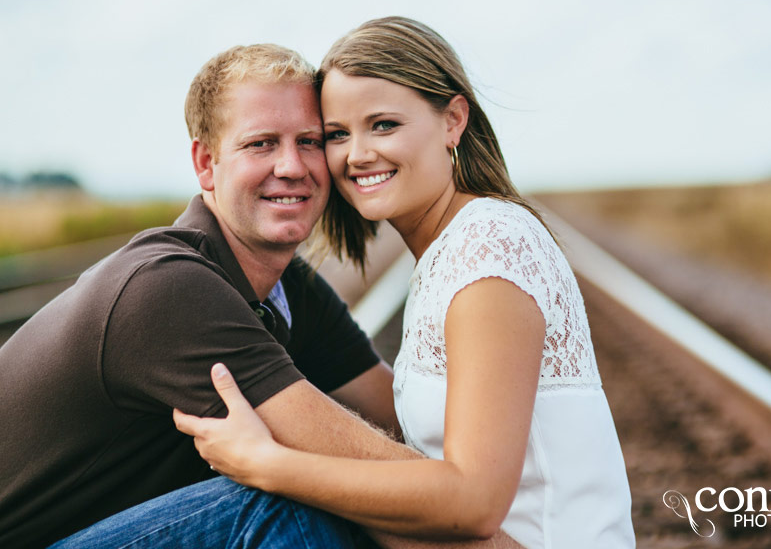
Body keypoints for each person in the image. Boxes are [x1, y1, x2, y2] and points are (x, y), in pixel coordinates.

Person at [79, 17, 635, 547]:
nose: (358, 155)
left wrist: (271, 466)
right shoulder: (453, 251)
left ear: (453, 120)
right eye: (338, 134)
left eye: (384, 125)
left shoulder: (488, 249)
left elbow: (474, 501)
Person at [2, 43, 514, 549]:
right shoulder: (167, 290)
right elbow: (364, 470)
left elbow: (402, 429)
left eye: (310, 141)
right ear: (206, 163)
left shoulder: (290, 286)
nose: (292, 166)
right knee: (283, 504)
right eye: (261, 144)